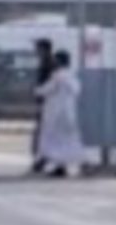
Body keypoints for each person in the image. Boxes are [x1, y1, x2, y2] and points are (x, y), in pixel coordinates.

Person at [33, 47, 85, 179]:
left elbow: (46, 90)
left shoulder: (58, 76)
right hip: (69, 114)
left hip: (56, 115)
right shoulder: (72, 77)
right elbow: (77, 91)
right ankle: (61, 166)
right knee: (66, 142)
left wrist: (36, 90)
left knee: (54, 141)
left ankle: (54, 165)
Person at [25, 37, 57, 175]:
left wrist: (38, 94)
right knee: (42, 133)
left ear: (44, 49)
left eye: (38, 48)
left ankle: (44, 160)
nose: (36, 51)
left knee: (44, 133)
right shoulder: (46, 63)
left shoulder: (49, 64)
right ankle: (42, 160)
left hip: (48, 104)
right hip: (45, 103)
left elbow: (48, 85)